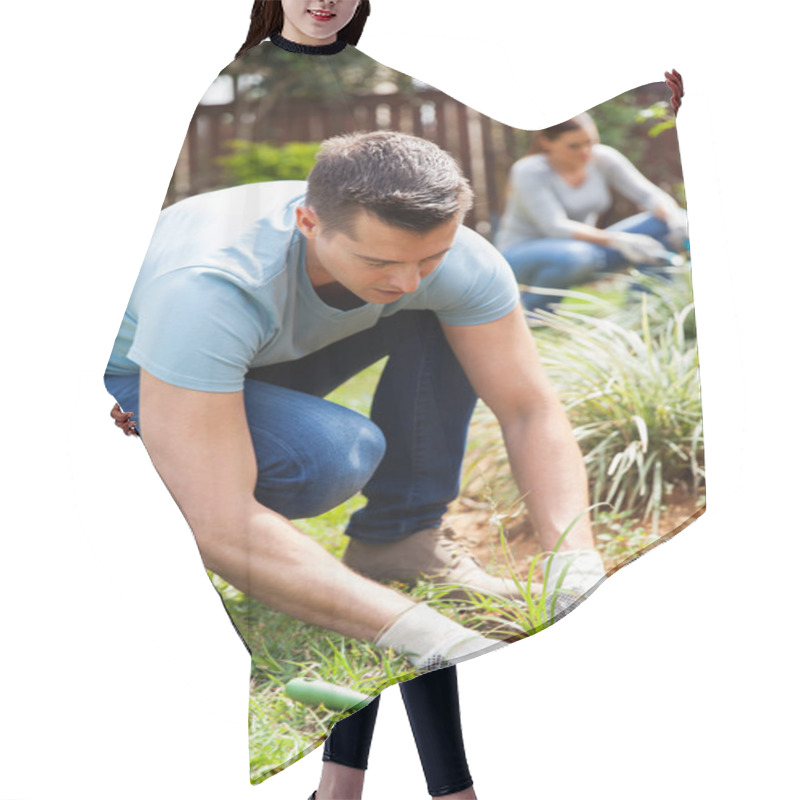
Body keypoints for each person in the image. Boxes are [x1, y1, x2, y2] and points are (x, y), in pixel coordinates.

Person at [105, 3, 606, 795]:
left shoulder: (451, 260)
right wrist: (416, 632)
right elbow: (222, 522)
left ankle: (397, 540)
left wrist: (574, 551)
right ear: (309, 221)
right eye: (382, 261)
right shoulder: (212, 285)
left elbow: (529, 407)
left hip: (263, 351)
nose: (408, 280)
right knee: (333, 456)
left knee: (446, 319)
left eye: (429, 257)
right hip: (150, 372)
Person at [494, 112, 689, 311]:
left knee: (666, 224)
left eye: (590, 142)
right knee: (578, 256)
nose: (585, 151)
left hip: (587, 249)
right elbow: (555, 226)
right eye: (574, 146)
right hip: (524, 254)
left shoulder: (603, 158)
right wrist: (618, 240)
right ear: (546, 143)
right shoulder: (529, 171)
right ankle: (532, 313)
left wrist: (675, 219)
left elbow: (649, 195)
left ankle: (643, 309)